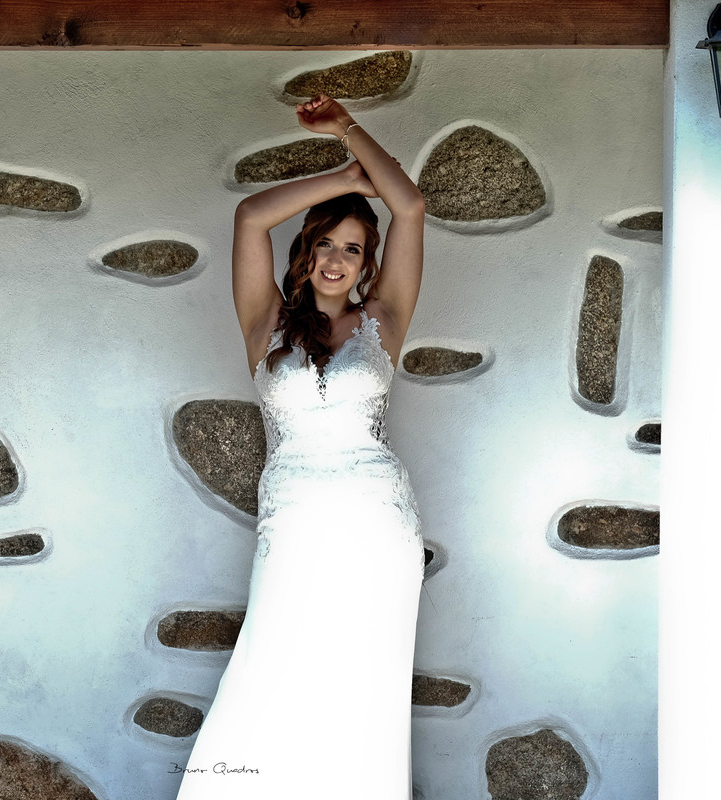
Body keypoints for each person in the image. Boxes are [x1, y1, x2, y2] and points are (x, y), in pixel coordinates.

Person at [174, 95, 426, 799]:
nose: (337, 260)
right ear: (306, 251)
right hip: (293, 523)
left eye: (353, 248)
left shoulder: (385, 319)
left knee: (361, 685)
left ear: (368, 264)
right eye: (326, 244)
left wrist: (348, 128)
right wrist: (345, 177)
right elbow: (250, 217)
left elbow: (410, 208)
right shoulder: (265, 322)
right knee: (272, 669)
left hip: (377, 526)